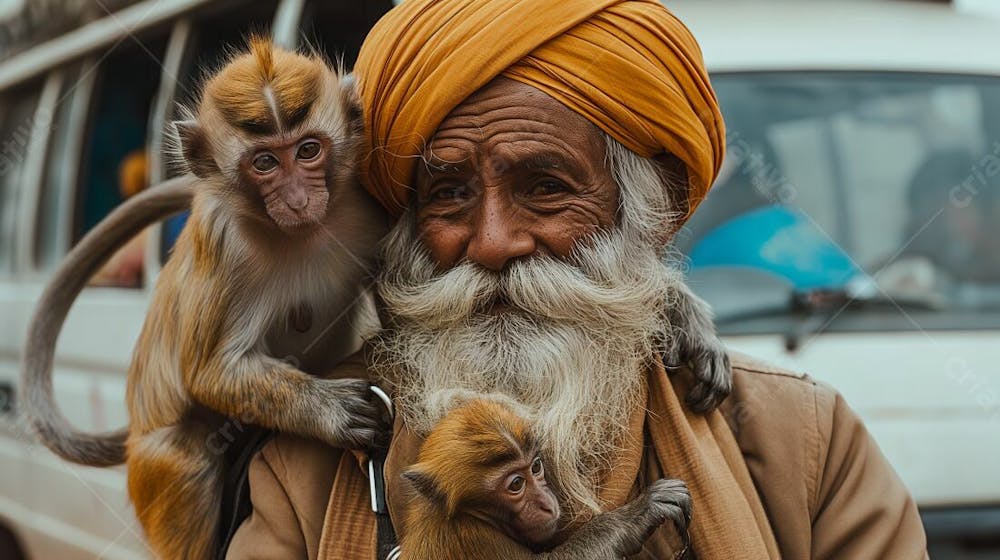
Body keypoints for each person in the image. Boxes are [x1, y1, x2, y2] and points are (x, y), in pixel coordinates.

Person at [227, 1, 927, 558]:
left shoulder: (801, 441)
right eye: (448, 195)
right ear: (404, 227)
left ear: (648, 213)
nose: (494, 243)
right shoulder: (312, 470)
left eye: (546, 187)